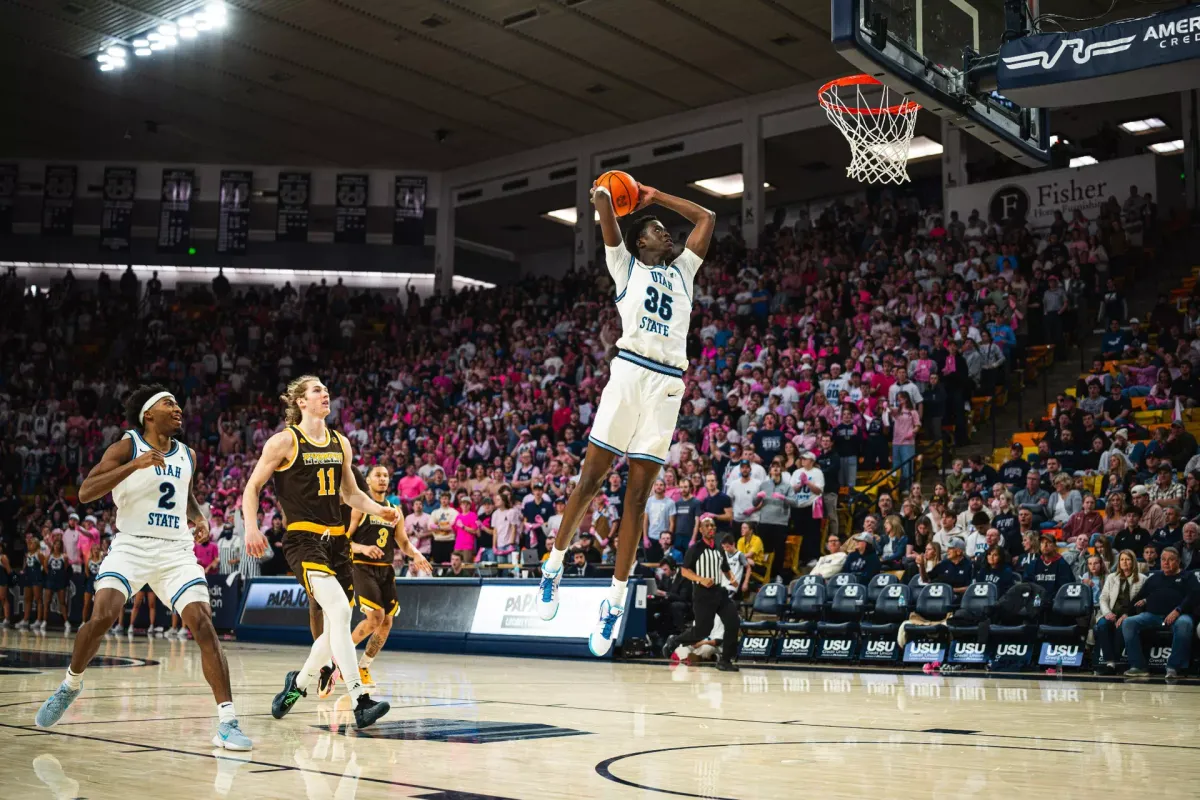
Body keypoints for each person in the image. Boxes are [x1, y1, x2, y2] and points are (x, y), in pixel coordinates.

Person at [536, 179, 716, 658]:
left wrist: (658, 197)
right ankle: (552, 567)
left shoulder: (684, 272)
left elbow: (706, 219)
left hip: (667, 385)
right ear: (641, 242)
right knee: (590, 481)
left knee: (637, 499)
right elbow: (603, 211)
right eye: (658, 230)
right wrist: (605, 192)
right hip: (631, 374)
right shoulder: (625, 265)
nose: (667, 235)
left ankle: (614, 602)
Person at [35, 385, 253, 750]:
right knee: (103, 615)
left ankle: (228, 722)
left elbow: (184, 496)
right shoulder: (128, 446)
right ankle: (71, 684)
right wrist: (134, 464)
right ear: (148, 415)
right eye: (170, 403)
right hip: (132, 545)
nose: (179, 408)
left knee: (202, 624)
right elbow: (87, 491)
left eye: (178, 403)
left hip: (175, 551)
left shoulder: (188, 454)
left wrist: (198, 518)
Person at [243, 375, 397, 729]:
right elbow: (252, 487)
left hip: (339, 543)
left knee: (334, 630)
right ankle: (360, 699)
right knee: (341, 612)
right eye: (317, 390)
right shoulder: (284, 442)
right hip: (304, 540)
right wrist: (251, 527)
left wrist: (378, 510)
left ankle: (295, 686)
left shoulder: (340, 442)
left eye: (327, 390)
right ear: (300, 402)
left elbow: (351, 494)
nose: (325, 394)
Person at [347, 465, 431, 690]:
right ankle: (341, 657)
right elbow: (343, 542)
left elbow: (403, 542)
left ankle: (363, 666)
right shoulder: (360, 507)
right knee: (376, 617)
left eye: (385, 476)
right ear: (368, 480)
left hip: (385, 569)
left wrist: (416, 554)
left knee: (387, 622)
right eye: (378, 475)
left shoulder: (395, 510)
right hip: (363, 566)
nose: (382, 479)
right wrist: (363, 549)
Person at [662, 517, 740, 672]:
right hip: (702, 593)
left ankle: (725, 660)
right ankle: (675, 640)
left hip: (719, 591)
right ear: (701, 530)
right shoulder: (695, 548)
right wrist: (701, 579)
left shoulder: (719, 547)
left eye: (712, 525)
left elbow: (724, 567)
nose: (710, 527)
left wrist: (733, 579)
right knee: (702, 630)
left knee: (733, 622)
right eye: (707, 525)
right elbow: (684, 571)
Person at [1121, 547, 1196, 678]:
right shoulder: (1154, 578)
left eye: (1170, 560)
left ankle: (1173, 668)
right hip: (1153, 616)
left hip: (1179, 615)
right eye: (1163, 559)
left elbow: (1194, 596)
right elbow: (1138, 597)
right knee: (1128, 622)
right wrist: (1126, 613)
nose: (1166, 563)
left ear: (1178, 562)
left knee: (1185, 624)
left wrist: (1178, 610)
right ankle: (1138, 666)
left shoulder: (1188, 576)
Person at [1093, 549, 1145, 673]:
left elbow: (1142, 601)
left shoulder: (1143, 579)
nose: (1124, 562)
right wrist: (1107, 613)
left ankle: (1115, 661)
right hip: (1111, 613)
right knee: (1102, 626)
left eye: (1127, 559)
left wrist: (1128, 615)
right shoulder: (1111, 577)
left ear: (1133, 562)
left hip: (1130, 616)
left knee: (1121, 628)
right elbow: (1103, 598)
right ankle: (1109, 662)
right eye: (1122, 559)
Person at [1023, 533, 1077, 598]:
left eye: (1049, 542)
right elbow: (1027, 583)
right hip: (1036, 600)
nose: (1045, 545)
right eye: (1042, 542)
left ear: (1054, 546)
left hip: (1056, 601)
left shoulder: (1062, 564)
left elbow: (1065, 587)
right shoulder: (1033, 563)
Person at [44, 537, 70, 633]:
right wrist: (51, 575)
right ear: (53, 546)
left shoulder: (64, 557)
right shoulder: (49, 556)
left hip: (60, 580)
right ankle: (44, 621)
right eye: (56, 544)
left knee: (62, 602)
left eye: (59, 544)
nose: (57, 546)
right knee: (47, 601)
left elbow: (66, 568)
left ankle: (66, 621)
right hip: (50, 580)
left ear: (61, 546)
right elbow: (46, 567)